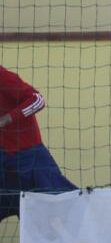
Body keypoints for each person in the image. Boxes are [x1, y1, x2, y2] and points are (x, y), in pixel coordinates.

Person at [0, 66, 76, 224]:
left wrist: (7, 119)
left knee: (59, 207)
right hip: (5, 162)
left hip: (30, 156)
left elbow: (37, 99)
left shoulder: (3, 76)